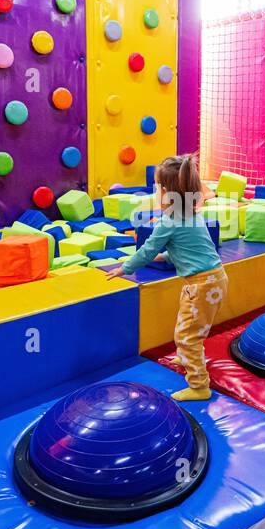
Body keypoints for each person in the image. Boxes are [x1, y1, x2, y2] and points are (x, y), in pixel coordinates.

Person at [107, 154, 228, 401]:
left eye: (157, 187)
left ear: (166, 192)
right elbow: (190, 249)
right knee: (189, 326)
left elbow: (148, 249)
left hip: (201, 284)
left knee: (187, 335)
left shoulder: (169, 221)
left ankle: (199, 385)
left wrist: (125, 268)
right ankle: (186, 356)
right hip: (213, 279)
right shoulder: (191, 214)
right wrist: (165, 257)